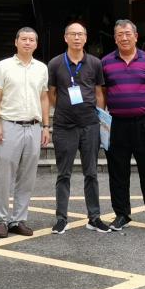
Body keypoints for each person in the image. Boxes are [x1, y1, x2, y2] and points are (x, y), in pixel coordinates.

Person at [98, 18, 145, 233]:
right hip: (116, 124)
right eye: (120, 34)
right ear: (115, 38)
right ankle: (121, 214)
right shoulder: (106, 62)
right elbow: (102, 93)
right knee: (117, 171)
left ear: (136, 36)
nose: (124, 38)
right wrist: (102, 122)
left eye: (128, 33)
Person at [47, 22, 109, 234]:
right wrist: (64, 108)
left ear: (85, 38)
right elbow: (51, 93)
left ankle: (94, 217)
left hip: (90, 125)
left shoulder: (95, 63)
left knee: (91, 173)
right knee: (63, 174)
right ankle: (61, 218)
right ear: (65, 38)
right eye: (72, 34)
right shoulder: (55, 63)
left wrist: (99, 118)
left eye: (80, 34)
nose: (76, 38)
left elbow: (99, 93)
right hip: (64, 126)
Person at [0, 27, 50, 238]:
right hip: (9, 125)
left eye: (31, 39)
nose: (27, 42)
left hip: (34, 126)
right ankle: (0, 219)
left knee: (27, 177)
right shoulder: (3, 66)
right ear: (16, 42)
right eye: (23, 39)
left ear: (36, 44)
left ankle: (18, 220)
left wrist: (46, 126)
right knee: (4, 176)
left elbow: (44, 97)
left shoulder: (41, 68)